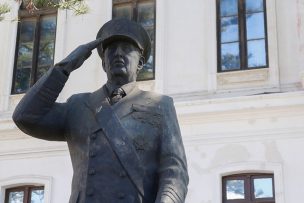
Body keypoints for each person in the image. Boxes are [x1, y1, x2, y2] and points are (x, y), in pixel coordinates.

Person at [12, 19, 188, 203]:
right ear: (104, 63)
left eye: (127, 48)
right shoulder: (78, 105)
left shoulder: (160, 105)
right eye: (111, 49)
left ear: (141, 63)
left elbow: (175, 174)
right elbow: (25, 116)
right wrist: (64, 67)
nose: (118, 53)